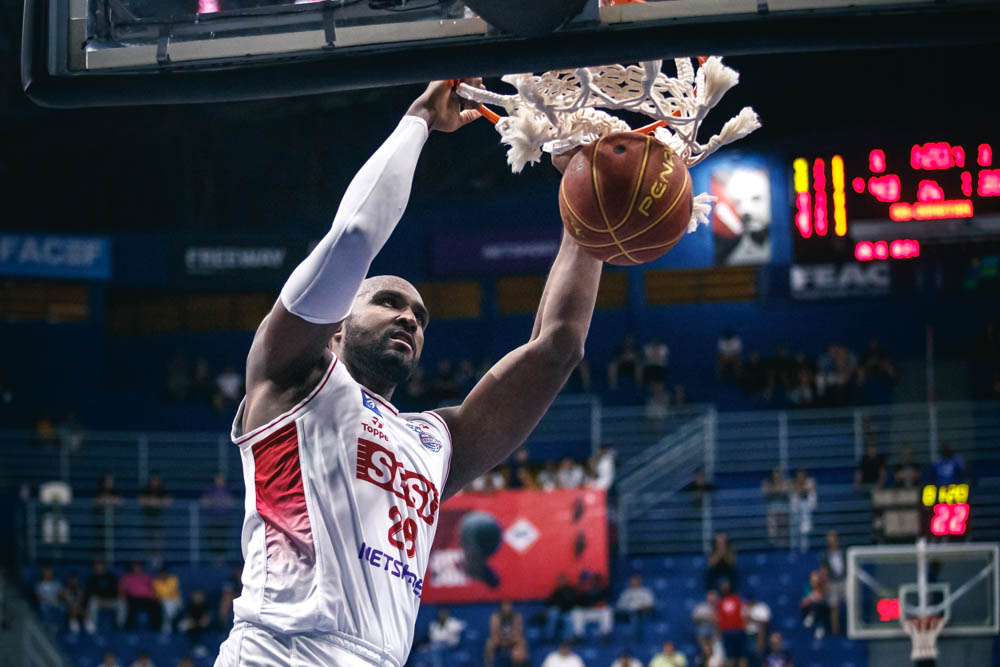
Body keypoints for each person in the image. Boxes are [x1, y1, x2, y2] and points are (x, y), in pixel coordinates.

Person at [214, 78, 603, 667]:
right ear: (337, 324)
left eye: (420, 316)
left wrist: (591, 211)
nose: (409, 318)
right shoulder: (293, 378)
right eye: (389, 302)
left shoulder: (435, 441)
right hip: (281, 651)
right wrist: (420, 119)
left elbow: (558, 347)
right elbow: (354, 236)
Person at [118, 562, 162, 632]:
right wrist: (123, 596)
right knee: (130, 607)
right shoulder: (127, 578)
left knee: (157, 606)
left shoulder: (146, 577)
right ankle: (129, 629)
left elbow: (152, 589)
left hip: (146, 599)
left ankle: (155, 629)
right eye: (135, 567)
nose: (137, 568)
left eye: (139, 567)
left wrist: (154, 597)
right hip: (133, 599)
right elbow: (122, 590)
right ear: (132, 568)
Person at [570, 572, 614, 643]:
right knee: (576, 612)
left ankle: (605, 634)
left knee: (607, 610)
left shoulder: (599, 589)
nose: (587, 581)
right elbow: (575, 604)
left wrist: (600, 604)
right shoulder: (578, 590)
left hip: (596, 612)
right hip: (585, 613)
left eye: (588, 580)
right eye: (584, 580)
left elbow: (605, 602)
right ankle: (579, 636)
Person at [484, 600, 526, 667]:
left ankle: (521, 664)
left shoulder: (517, 616)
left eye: (508, 606)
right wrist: (502, 641)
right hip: (499, 640)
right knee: (489, 643)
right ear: (501, 608)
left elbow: (518, 632)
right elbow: (494, 633)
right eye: (505, 606)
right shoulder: (495, 617)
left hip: (512, 640)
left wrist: (510, 640)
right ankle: (488, 664)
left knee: (521, 641)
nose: (507, 608)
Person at [716, 579, 747, 667]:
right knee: (730, 658)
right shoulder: (720, 602)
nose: (725, 588)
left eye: (727, 586)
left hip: (739, 631)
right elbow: (718, 619)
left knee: (742, 657)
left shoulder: (738, 599)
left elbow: (744, 613)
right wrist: (719, 632)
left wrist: (744, 626)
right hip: (727, 632)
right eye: (723, 586)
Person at [616, 573, 655, 641]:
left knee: (635, 615)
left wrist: (640, 607)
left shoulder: (645, 591)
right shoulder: (626, 592)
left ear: (640, 581)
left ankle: (633, 638)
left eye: (636, 581)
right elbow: (620, 605)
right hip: (626, 612)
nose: (634, 583)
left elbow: (650, 605)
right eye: (633, 581)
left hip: (641, 612)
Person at [821, 531, 846, 636]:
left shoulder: (843, 551)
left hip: (845, 580)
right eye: (829, 538)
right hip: (832, 582)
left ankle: (851, 628)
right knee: (834, 606)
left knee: (851, 603)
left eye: (833, 537)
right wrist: (825, 584)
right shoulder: (826, 555)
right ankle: (835, 631)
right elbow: (824, 570)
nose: (831, 540)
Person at [84, 559, 119, 633]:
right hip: (98, 602)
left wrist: (109, 599)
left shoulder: (111, 577)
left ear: (104, 566)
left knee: (122, 603)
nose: (98, 567)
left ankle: (119, 626)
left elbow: (115, 592)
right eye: (96, 565)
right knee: (92, 603)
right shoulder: (92, 578)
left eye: (99, 565)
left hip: (110, 601)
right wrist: (97, 598)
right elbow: (89, 593)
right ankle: (92, 628)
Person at [788, 470, 817, 553]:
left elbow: (813, 505)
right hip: (795, 516)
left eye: (802, 477)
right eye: (798, 477)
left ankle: (804, 550)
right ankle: (793, 551)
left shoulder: (810, 485)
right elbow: (793, 507)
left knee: (805, 509)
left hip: (806, 515)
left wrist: (806, 491)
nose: (800, 479)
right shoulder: (793, 486)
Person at [545, 573, 578, 642]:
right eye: (559, 580)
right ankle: (548, 637)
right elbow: (550, 603)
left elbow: (572, 603)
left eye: (562, 579)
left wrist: (560, 607)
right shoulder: (556, 591)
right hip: (557, 613)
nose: (560, 581)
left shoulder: (570, 590)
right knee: (553, 614)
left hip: (567, 611)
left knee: (568, 618)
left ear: (566, 580)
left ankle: (568, 639)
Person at [179, 589, 212, 657]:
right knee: (184, 625)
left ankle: (200, 647)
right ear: (192, 596)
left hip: (203, 630)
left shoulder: (206, 606)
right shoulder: (188, 606)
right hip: (189, 631)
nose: (198, 598)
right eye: (196, 595)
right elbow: (185, 619)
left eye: (200, 595)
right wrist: (189, 622)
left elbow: (206, 620)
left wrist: (205, 621)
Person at [153, 567, 182, 634]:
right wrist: (161, 597)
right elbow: (157, 594)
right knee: (166, 605)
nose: (162, 575)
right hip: (163, 602)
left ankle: (168, 624)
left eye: (164, 574)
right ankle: (170, 624)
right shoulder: (156, 582)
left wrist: (163, 597)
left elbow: (171, 593)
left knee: (168, 604)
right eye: (161, 574)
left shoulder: (173, 579)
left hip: (176, 600)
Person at [690, 590, 718, 658]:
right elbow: (693, 617)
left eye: (714, 596)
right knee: (705, 652)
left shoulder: (719, 607)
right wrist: (706, 617)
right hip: (702, 633)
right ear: (707, 597)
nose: (712, 598)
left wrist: (716, 619)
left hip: (715, 634)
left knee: (714, 654)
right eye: (710, 596)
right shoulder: (701, 606)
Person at [35, 566, 63, 631]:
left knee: (62, 608)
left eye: (50, 572)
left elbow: (61, 595)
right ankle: (46, 627)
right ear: (43, 573)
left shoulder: (57, 583)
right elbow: (39, 597)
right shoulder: (39, 584)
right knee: (43, 608)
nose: (48, 574)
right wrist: (49, 603)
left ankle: (60, 627)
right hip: (45, 603)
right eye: (46, 572)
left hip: (56, 603)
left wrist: (58, 601)